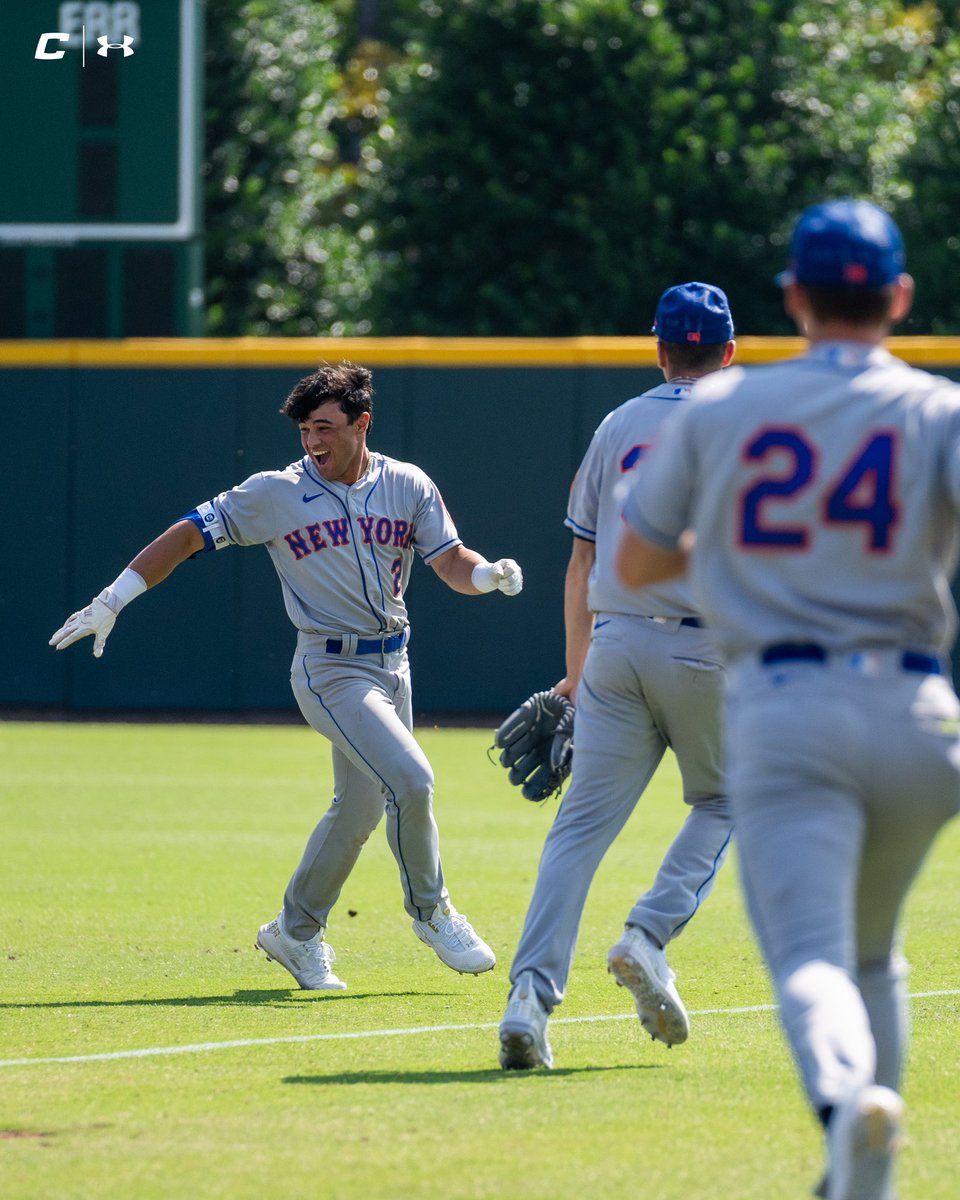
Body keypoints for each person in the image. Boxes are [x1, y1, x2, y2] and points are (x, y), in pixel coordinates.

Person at [616, 200, 960, 1200]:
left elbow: (636, 559)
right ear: (898, 296)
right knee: (874, 953)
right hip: (915, 710)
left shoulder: (726, 407)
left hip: (788, 704)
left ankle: (848, 1109)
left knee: (812, 959)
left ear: (794, 299)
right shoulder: (938, 409)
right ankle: (864, 1176)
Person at [50, 361, 524, 990]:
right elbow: (187, 535)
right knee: (412, 781)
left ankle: (295, 933)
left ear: (363, 424)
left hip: (394, 665)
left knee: (357, 810)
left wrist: (486, 574)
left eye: (325, 427)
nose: (312, 441)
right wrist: (113, 599)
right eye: (304, 429)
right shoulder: (275, 491)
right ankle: (431, 910)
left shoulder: (408, 484)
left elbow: (449, 562)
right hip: (330, 669)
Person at [498, 283, 735, 1071]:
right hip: (710, 647)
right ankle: (647, 934)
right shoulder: (751, 427)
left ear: (660, 349)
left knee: (577, 833)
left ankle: (528, 1000)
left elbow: (581, 562)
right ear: (730, 353)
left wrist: (575, 675)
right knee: (727, 799)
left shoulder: (618, 423)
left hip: (616, 644)